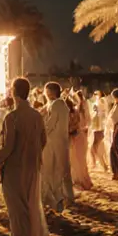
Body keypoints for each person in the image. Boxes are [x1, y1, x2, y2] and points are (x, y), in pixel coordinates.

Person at [0, 78, 50, 236]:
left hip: (15, 166)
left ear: (15, 93)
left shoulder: (12, 117)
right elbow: (43, 140)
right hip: (33, 164)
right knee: (31, 201)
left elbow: (8, 146)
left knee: (16, 205)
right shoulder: (36, 115)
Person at [40, 82, 74, 211]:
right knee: (57, 168)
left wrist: (40, 133)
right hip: (55, 141)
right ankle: (60, 196)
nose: (45, 94)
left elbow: (50, 124)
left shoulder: (57, 104)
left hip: (55, 141)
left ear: (52, 92)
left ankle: (65, 197)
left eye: (46, 91)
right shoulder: (54, 103)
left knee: (59, 168)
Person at [69, 91, 93, 190]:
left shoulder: (73, 114)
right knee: (81, 161)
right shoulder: (77, 112)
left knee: (76, 161)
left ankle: (80, 181)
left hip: (75, 138)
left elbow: (71, 127)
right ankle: (85, 181)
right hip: (80, 136)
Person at [89, 93, 108, 171]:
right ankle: (101, 165)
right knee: (94, 148)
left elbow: (102, 112)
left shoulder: (102, 101)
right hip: (97, 128)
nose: (95, 95)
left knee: (95, 148)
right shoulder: (98, 103)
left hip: (100, 129)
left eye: (96, 94)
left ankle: (103, 165)